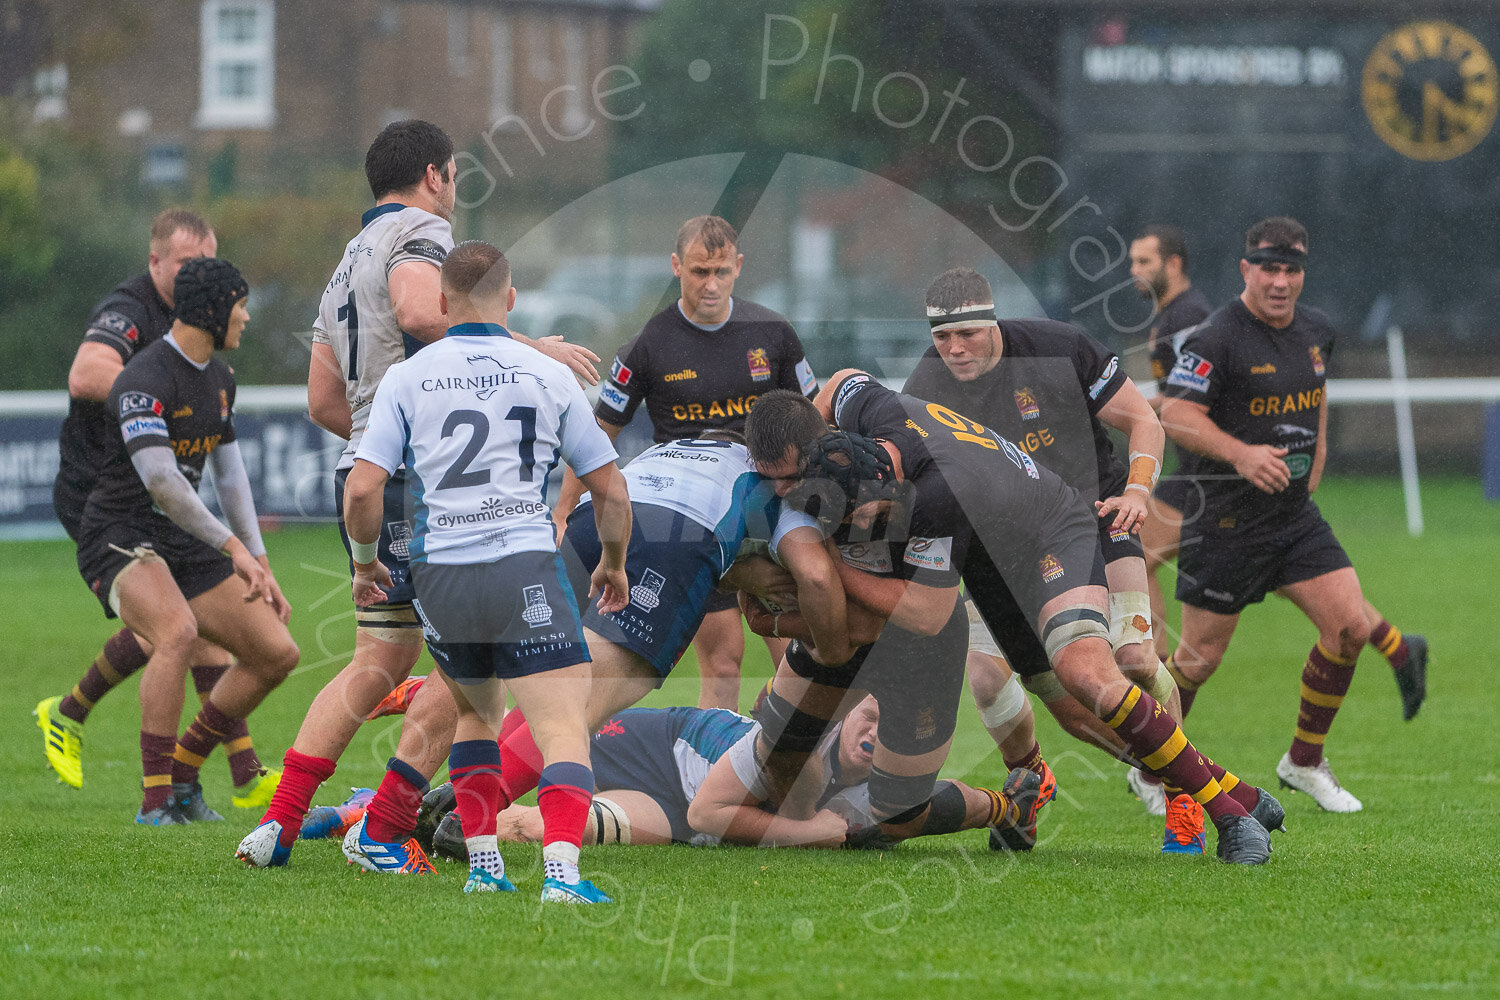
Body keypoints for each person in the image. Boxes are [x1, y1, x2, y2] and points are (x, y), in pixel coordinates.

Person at [236, 120, 599, 870]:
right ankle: (382, 829)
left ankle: (278, 823)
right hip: (424, 489)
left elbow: (321, 397)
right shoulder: (421, 233)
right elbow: (419, 310)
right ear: (435, 175)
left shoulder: (345, 262)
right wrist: (532, 348)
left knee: (379, 660)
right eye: (455, 176)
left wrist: (382, 439)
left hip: (367, 473)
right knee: (471, 664)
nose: (454, 192)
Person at [746, 380, 1281, 864]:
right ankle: (1243, 795)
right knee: (1074, 715)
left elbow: (927, 612)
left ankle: (1230, 817)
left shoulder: (937, 497)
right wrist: (817, 447)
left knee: (1088, 677)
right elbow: (837, 381)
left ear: (886, 489)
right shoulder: (868, 411)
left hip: (1053, 534)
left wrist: (830, 565)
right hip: (990, 558)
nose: (854, 530)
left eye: (861, 518)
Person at [335, 424, 855, 868]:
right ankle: (465, 813)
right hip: (663, 541)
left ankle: (425, 802)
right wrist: (830, 648)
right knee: (578, 702)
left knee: (546, 683)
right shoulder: (770, 487)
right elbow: (809, 575)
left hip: (590, 525)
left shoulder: (677, 451)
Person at [343, 239, 631, 902]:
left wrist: (365, 567)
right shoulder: (549, 373)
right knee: (561, 721)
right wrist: (612, 563)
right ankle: (562, 876)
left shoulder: (409, 377)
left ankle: (485, 870)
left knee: (476, 715)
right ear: (511, 299)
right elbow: (610, 490)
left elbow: (362, 491)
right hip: (519, 562)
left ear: (441, 302)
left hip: (441, 571)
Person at [902, 267, 1183, 832]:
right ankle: (1031, 777)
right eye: (942, 338)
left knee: (1131, 661)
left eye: (969, 335)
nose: (955, 350)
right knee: (1005, 682)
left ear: (993, 318)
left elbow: (1142, 420)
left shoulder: (1060, 348)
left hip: (1102, 516)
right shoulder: (926, 386)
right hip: (1007, 547)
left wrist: (1136, 490)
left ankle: (1184, 790)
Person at [1160, 216, 1417, 813]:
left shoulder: (1318, 330)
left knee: (1351, 626)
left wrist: (1316, 462)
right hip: (1225, 520)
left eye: (1291, 269)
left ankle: (1303, 762)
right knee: (1197, 661)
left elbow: (1316, 404)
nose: (1280, 281)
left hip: (1293, 519)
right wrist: (1243, 454)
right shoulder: (1216, 338)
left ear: (1303, 272)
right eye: (1268, 268)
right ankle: (1156, 762)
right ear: (1246, 268)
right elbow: (1175, 415)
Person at [37, 209, 276, 808]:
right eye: (188, 265)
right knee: (175, 628)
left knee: (203, 627)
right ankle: (187, 784)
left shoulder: (210, 358)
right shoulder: (132, 311)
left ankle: (224, 770)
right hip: (104, 491)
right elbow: (86, 373)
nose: (203, 275)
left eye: (208, 264)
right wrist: (157, 392)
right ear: (155, 263)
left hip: (165, 501)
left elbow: (228, 469)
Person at [74, 257, 300, 824]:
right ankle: (155, 804)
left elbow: (230, 476)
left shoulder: (220, 378)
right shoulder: (142, 380)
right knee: (177, 632)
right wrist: (233, 548)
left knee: (277, 654)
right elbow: (162, 485)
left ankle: (184, 775)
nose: (246, 317)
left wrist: (261, 560)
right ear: (211, 310)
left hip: (181, 539)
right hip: (119, 532)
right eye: (240, 304)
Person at [566, 215, 819, 711]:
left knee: (797, 652)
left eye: (722, 272)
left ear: (739, 267)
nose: (711, 284)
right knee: (723, 658)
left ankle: (784, 755)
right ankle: (706, 764)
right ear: (676, 266)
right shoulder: (650, 344)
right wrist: (562, 511)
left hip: (766, 511)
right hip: (692, 517)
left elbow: (815, 417)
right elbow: (596, 439)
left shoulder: (773, 333)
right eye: (700, 271)